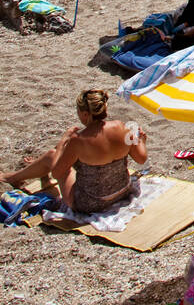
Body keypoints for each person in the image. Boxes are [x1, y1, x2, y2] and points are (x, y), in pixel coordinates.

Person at [2, 89, 148, 213]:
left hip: (90, 203)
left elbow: (57, 173)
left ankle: (13, 177)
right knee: (75, 160)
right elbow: (141, 159)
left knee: (53, 155)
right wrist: (141, 141)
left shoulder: (78, 139)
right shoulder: (122, 127)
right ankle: (25, 174)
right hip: (122, 191)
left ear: (85, 114)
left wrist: (63, 142)